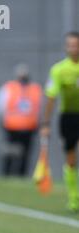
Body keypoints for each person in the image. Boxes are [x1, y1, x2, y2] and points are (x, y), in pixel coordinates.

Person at [41, 31, 79, 212]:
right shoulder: (59, 69)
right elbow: (51, 97)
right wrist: (46, 124)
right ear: (66, 47)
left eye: (76, 45)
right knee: (71, 159)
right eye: (70, 45)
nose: (73, 48)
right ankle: (74, 198)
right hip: (69, 117)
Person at [0, 64, 42, 176]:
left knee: (25, 154)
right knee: (10, 152)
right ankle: (6, 174)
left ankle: (21, 175)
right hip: (12, 127)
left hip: (29, 127)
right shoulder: (9, 87)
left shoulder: (35, 89)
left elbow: (39, 107)